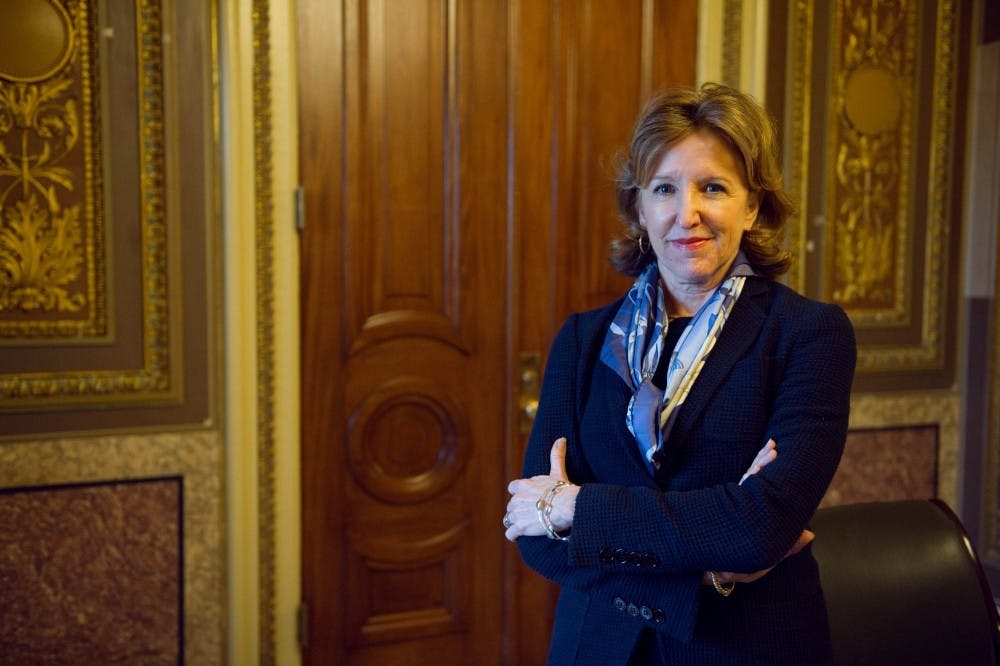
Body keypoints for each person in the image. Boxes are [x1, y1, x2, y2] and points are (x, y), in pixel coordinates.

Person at [502, 83, 856, 665]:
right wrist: (712, 568)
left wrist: (576, 509)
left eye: (712, 187)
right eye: (664, 188)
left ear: (752, 206)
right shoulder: (583, 340)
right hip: (597, 646)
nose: (685, 213)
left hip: (747, 647)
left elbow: (761, 526)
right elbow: (535, 539)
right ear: (640, 208)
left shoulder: (808, 336)